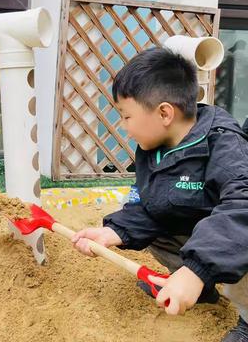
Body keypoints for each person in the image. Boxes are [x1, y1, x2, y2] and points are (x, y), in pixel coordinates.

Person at [72, 47, 248, 342]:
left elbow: (241, 208)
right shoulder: (154, 148)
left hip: (236, 232)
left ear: (165, 112)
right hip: (202, 229)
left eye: (126, 116)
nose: (123, 126)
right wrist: (116, 231)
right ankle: (201, 291)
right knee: (162, 224)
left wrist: (196, 270)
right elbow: (150, 203)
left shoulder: (224, 143)